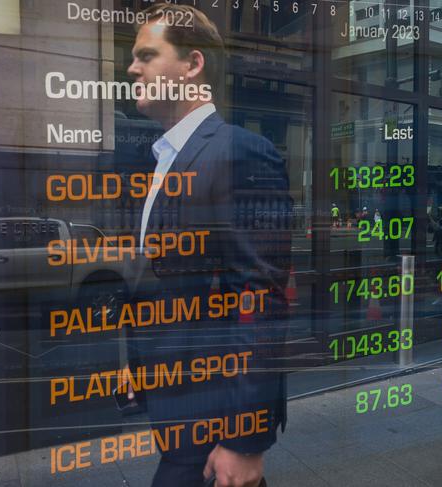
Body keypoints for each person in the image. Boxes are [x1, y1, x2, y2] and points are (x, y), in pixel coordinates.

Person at [123, 5, 291, 486]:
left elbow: (260, 297)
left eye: (147, 55)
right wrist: (139, 367)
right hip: (177, 402)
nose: (132, 67)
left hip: (214, 415)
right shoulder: (161, 160)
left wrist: (245, 439)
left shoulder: (237, 150)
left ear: (193, 65)